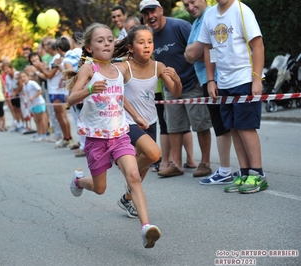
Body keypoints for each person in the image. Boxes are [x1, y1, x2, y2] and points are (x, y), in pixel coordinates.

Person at [65, 22, 161, 248]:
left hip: (119, 133)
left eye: (110, 39)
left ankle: (146, 227)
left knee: (134, 175)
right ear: (89, 48)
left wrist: (135, 116)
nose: (107, 43)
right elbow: (70, 99)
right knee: (100, 189)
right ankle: (79, 181)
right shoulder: (90, 69)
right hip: (97, 138)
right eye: (100, 40)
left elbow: (119, 96)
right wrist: (89, 89)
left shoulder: (118, 70)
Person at [198, 0, 268, 193]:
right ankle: (244, 173)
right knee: (234, 128)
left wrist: (256, 79)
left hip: (244, 78)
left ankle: (258, 174)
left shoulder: (242, 10)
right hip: (224, 82)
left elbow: (258, 45)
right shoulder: (210, 15)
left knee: (246, 128)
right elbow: (208, 49)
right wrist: (211, 80)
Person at [113, 25, 182, 218]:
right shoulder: (123, 68)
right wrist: (134, 115)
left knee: (142, 170)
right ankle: (128, 168)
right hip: (129, 121)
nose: (147, 46)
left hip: (150, 121)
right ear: (130, 47)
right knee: (153, 154)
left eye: (150, 42)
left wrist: (176, 80)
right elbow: (116, 94)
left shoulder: (158, 67)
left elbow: (176, 93)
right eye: (141, 42)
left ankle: (126, 199)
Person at [140, 0, 213, 178]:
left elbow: (200, 47)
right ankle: (177, 164)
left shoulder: (180, 26)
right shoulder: (149, 37)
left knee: (201, 124)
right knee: (174, 127)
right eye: (146, 14)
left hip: (192, 83)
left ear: (161, 10)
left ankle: (205, 163)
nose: (150, 17)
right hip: (170, 88)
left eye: (153, 12)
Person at [182, 0, 234, 185]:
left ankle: (248, 170)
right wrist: (193, 51)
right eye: (185, 4)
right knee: (221, 126)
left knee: (234, 125)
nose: (190, 7)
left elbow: (194, 52)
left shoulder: (212, 15)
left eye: (193, 2)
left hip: (219, 78)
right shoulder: (197, 22)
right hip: (207, 79)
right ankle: (226, 170)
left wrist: (194, 51)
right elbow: (188, 55)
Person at [35, 40, 72, 148]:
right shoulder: (53, 59)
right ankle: (66, 137)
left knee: (61, 116)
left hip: (57, 91)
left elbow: (50, 76)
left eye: (47, 46)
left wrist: (40, 68)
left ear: (53, 48)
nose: (45, 48)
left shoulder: (57, 58)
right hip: (54, 90)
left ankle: (67, 137)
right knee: (60, 115)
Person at [19, 71, 48, 141]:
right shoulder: (24, 86)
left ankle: (43, 134)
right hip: (32, 104)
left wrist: (33, 97)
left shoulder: (32, 83)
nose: (23, 78)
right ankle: (39, 134)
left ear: (27, 77)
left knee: (41, 119)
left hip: (38, 102)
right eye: (21, 77)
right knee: (36, 120)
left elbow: (40, 90)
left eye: (24, 76)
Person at [3, 63, 25, 132]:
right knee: (15, 109)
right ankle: (18, 124)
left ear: (11, 68)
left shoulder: (16, 74)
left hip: (20, 94)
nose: (6, 70)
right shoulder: (7, 77)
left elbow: (21, 85)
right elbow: (9, 86)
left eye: (7, 68)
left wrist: (15, 92)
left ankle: (24, 124)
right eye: (4, 69)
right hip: (12, 94)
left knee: (20, 109)